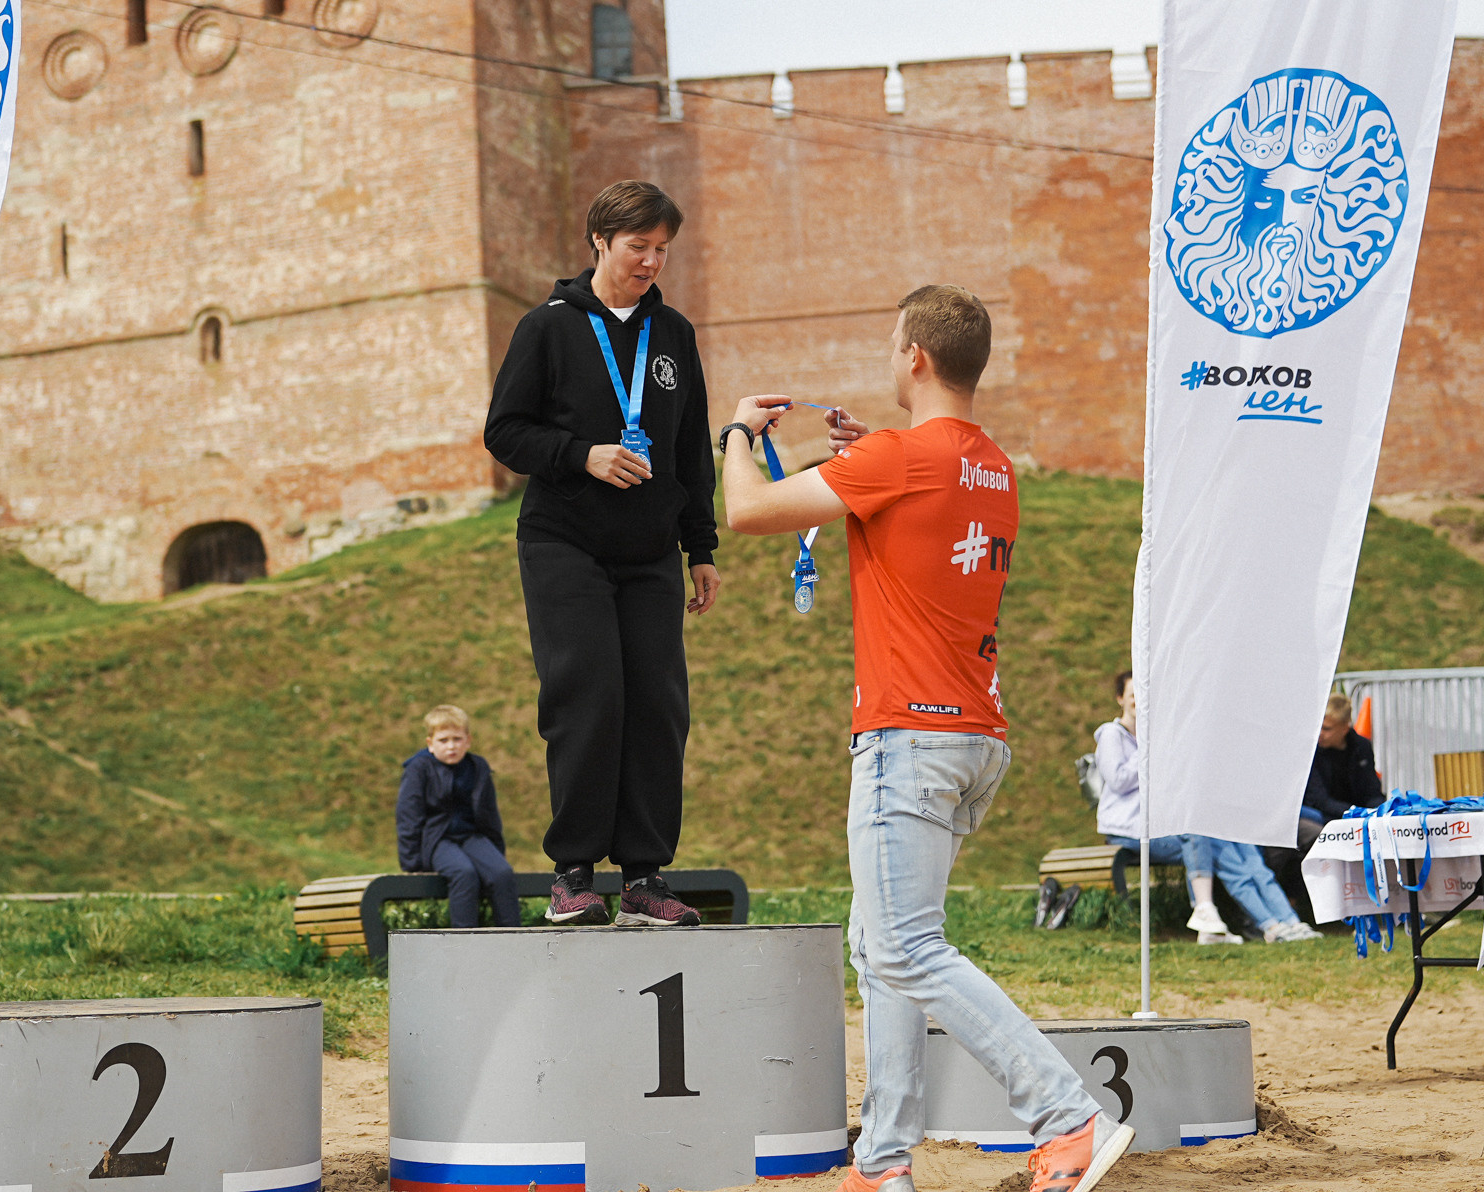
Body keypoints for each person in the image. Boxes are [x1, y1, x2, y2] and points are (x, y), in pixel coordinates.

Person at [721, 285, 1133, 1192]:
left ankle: (1067, 1119)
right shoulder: (992, 464)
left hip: (907, 736)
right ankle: (882, 1162)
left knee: (905, 947)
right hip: (971, 734)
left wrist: (738, 435)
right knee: (883, 945)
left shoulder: (898, 460)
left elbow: (747, 512)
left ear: (913, 356)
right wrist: (872, 451)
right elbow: (918, 495)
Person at [483, 181, 717, 928]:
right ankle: (573, 875)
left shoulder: (672, 334)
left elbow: (688, 450)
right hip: (566, 543)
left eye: (661, 250)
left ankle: (645, 877)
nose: (650, 262)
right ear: (600, 243)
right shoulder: (547, 327)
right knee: (588, 695)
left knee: (658, 704)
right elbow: (506, 430)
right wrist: (581, 454)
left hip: (648, 551)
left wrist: (700, 548)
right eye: (637, 248)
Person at [1095, 672, 1318, 945]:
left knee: (1243, 850)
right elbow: (1118, 780)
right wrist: (1152, 749)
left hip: (1168, 825)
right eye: (1133, 695)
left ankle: (1288, 921)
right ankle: (1269, 924)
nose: (1140, 701)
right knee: (1215, 844)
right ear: (1120, 699)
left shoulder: (1160, 736)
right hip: (1129, 829)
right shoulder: (1112, 735)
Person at [395, 704, 519, 929]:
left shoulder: (477, 767)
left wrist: (495, 852)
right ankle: (463, 943)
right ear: (430, 744)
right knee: (464, 874)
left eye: (457, 739)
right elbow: (408, 816)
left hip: (471, 836)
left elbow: (489, 813)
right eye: (443, 740)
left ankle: (513, 938)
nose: (451, 746)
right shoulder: (418, 769)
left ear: (468, 740)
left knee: (502, 873)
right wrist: (411, 862)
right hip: (437, 839)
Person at [1297, 693, 1385, 848]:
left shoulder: (1361, 747)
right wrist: (1359, 813)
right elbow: (1319, 800)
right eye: (1319, 727)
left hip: (1352, 815)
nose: (1320, 734)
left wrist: (1380, 811)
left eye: (1326, 729)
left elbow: (1372, 791)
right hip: (1320, 816)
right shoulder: (1311, 750)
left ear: (1345, 728)